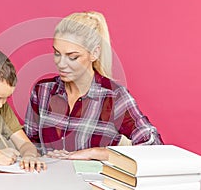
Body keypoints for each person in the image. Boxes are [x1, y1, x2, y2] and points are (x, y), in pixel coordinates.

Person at [24, 11, 163, 161]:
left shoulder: (114, 96)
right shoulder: (42, 91)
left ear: (94, 53)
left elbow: (154, 146)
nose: (61, 64)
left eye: (72, 57)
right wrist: (33, 155)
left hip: (93, 183)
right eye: (57, 53)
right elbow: (29, 143)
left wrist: (95, 153)